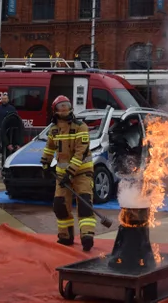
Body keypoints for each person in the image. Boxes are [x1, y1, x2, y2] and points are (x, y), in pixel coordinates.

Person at [40, 95, 95, 251]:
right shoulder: (54, 129)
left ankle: (87, 236)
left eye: (66, 105)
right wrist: (45, 162)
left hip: (82, 172)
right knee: (60, 205)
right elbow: (50, 147)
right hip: (61, 175)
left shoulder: (81, 127)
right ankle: (66, 236)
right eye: (60, 106)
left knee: (84, 203)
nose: (64, 109)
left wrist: (70, 173)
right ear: (55, 110)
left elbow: (81, 152)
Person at [0, 94, 17, 168]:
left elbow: (15, 118)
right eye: (3, 99)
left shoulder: (12, 108)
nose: (4, 100)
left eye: (5, 99)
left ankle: (6, 163)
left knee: (6, 148)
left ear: (8, 100)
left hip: (8, 132)